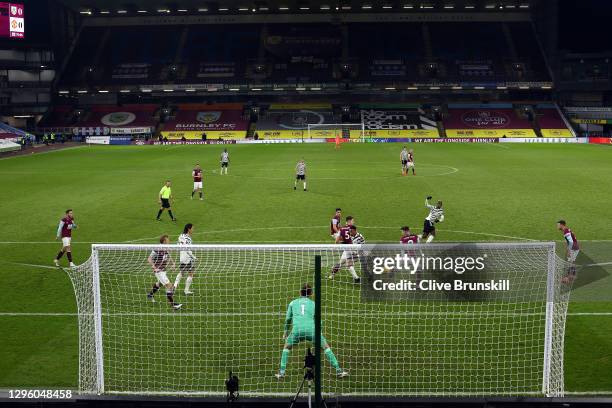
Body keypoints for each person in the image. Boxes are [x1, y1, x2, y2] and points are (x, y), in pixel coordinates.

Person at [275, 283, 348, 379]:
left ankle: (282, 373)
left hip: (297, 331)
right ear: (310, 294)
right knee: (326, 347)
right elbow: (319, 320)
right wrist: (320, 331)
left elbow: (288, 319)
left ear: (300, 292)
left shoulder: (292, 303)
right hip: (312, 331)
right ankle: (339, 371)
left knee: (287, 347)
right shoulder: (314, 304)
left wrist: (285, 332)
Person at [147, 235, 182, 310]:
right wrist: (154, 266)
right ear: (164, 241)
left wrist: (173, 264)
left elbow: (168, 256)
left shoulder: (166, 248)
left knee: (159, 283)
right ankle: (173, 305)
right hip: (158, 271)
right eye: (168, 239)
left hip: (164, 270)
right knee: (169, 286)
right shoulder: (157, 249)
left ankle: (150, 294)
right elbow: (149, 258)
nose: (169, 240)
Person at [330, 216, 360, 283]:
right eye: (352, 221)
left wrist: (336, 246)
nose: (353, 222)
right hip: (352, 248)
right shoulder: (352, 229)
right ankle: (356, 278)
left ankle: (356, 278)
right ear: (349, 221)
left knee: (343, 263)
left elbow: (337, 240)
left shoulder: (342, 228)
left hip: (347, 249)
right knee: (345, 263)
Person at [174, 223, 196, 295]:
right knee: (191, 274)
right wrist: (193, 256)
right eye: (192, 228)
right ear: (189, 229)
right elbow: (187, 249)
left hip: (182, 257)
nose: (193, 230)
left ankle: (174, 286)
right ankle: (186, 290)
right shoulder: (188, 238)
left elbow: (178, 245)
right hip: (188, 258)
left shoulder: (181, 236)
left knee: (182, 272)